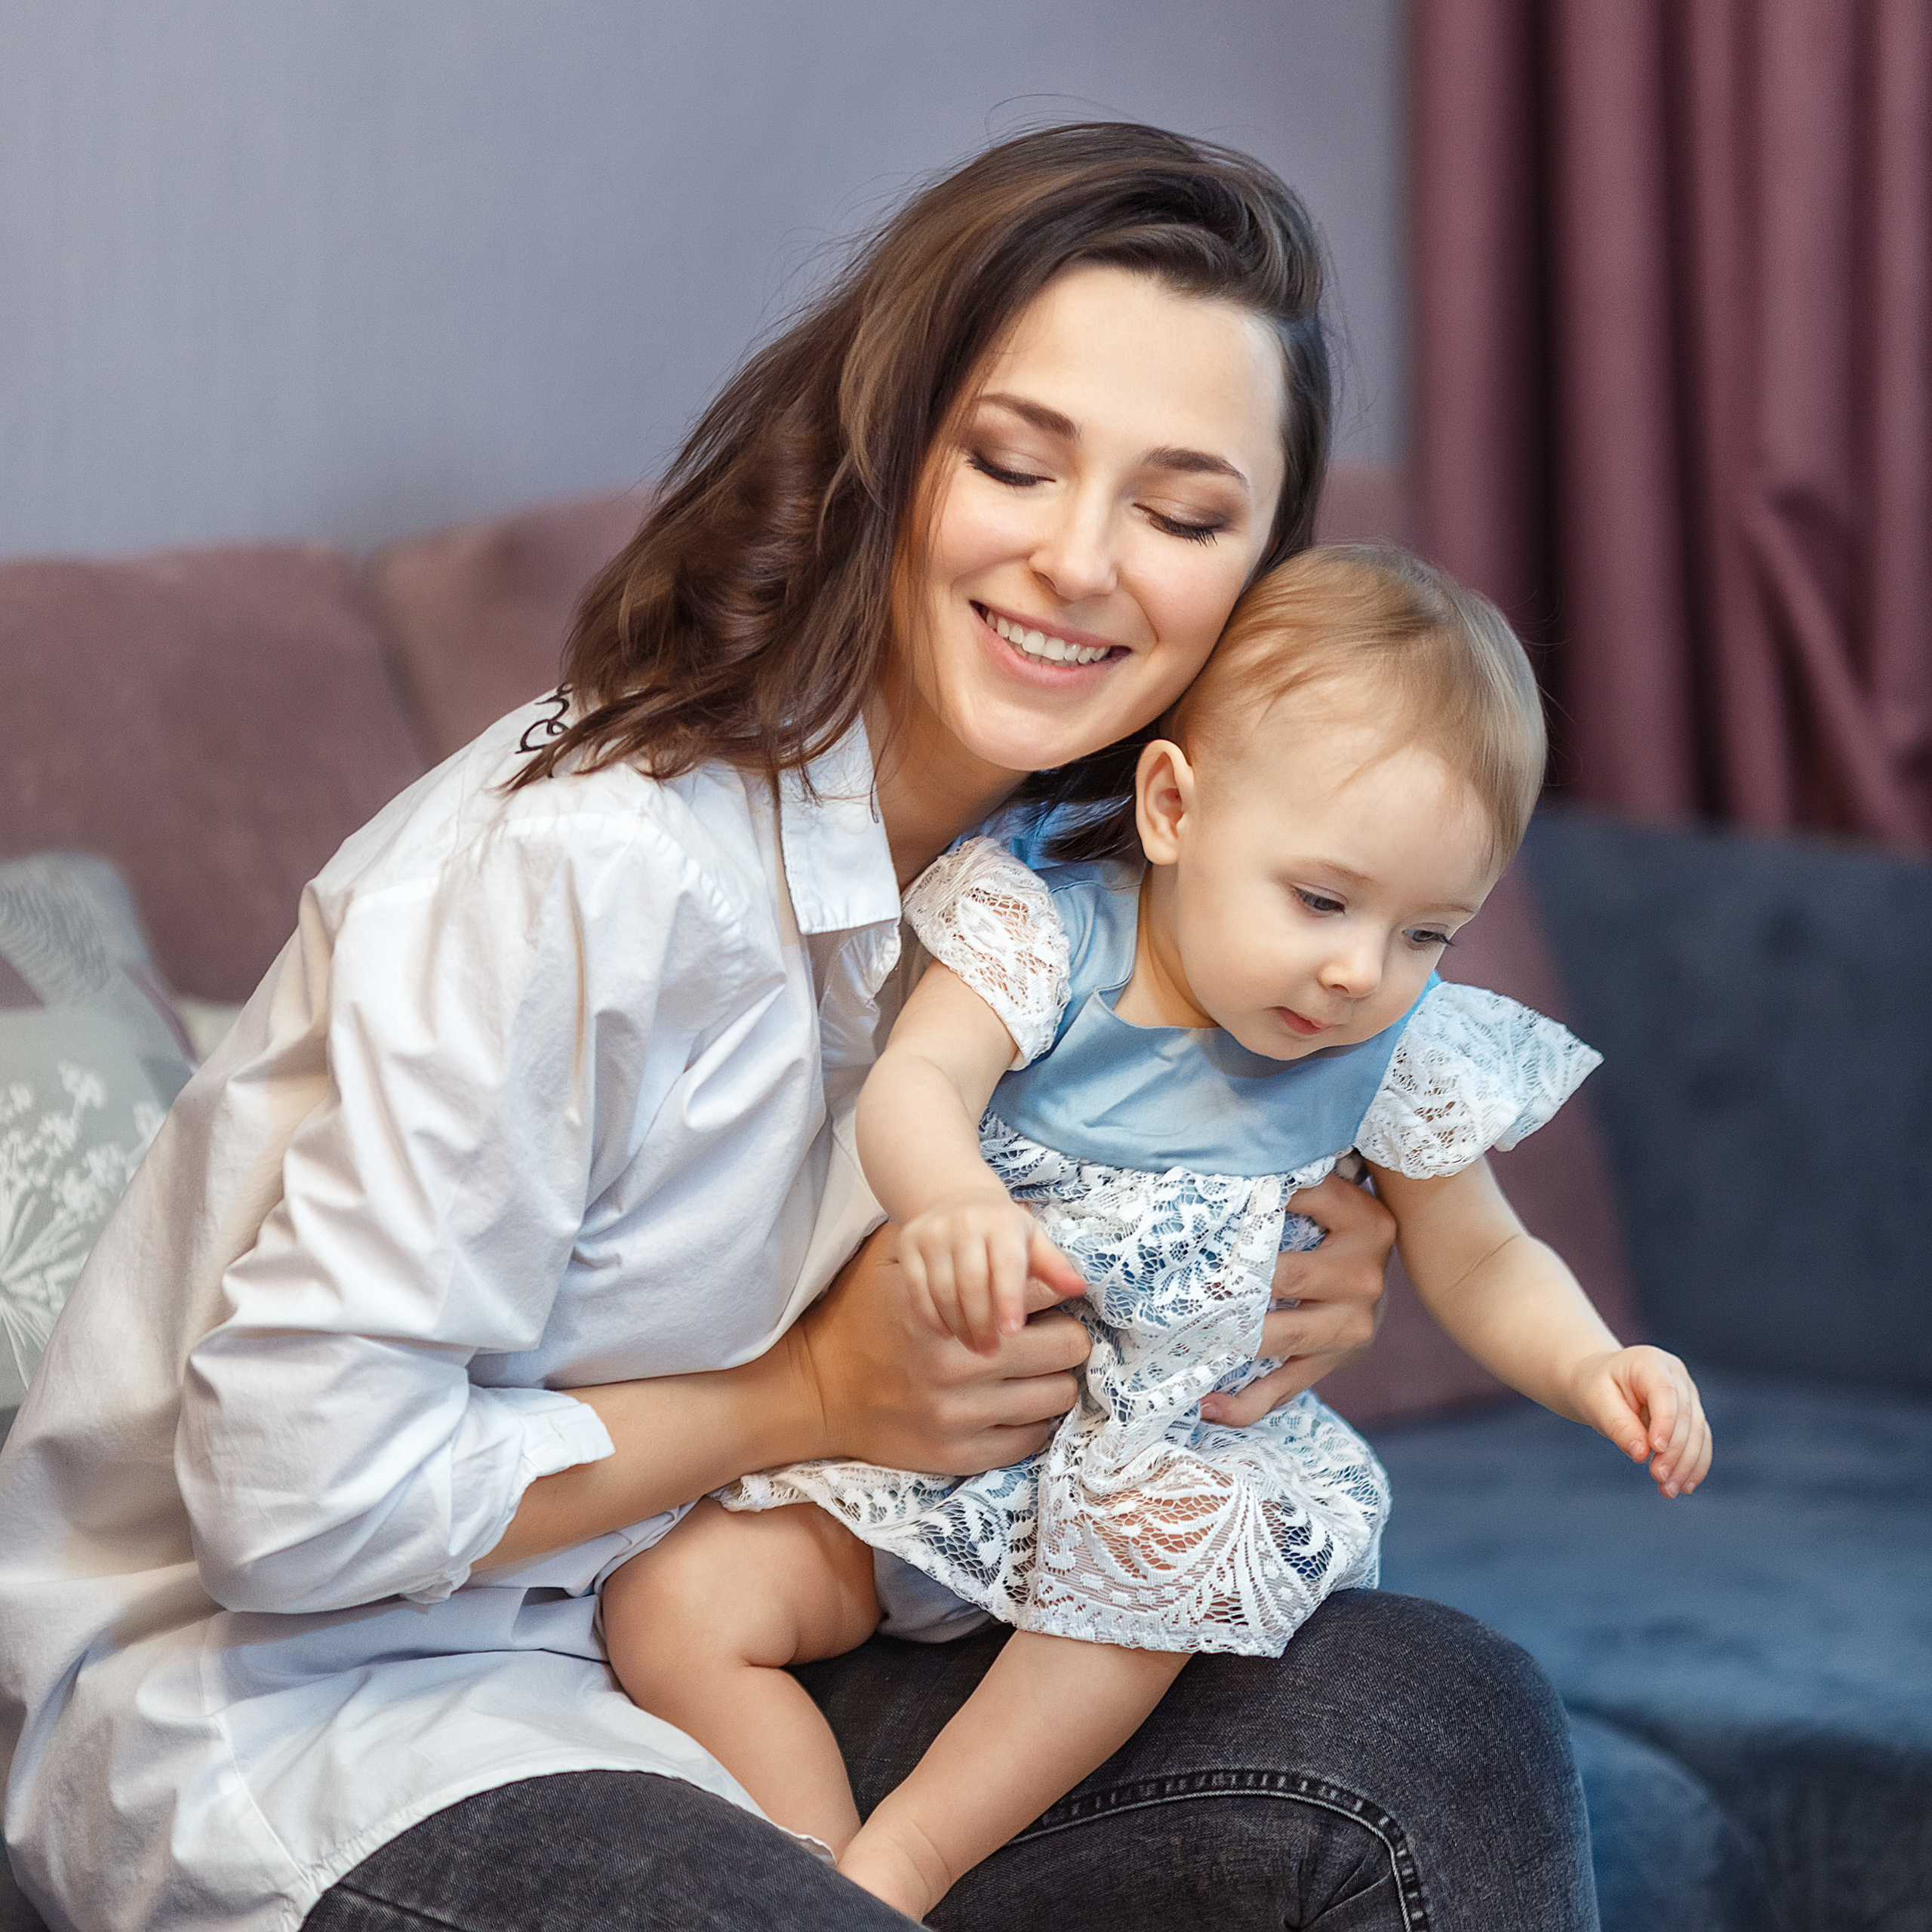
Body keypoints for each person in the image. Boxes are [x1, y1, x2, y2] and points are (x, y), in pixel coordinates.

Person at [0, 128, 1601, 1932]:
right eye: (1012, 460)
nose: (1081, 562)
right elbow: (291, 1503)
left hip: (746, 1612)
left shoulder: (1110, 880)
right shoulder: (589, 865)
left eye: (1180, 512)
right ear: (888, 447)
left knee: (1440, 1725)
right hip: (339, 1703)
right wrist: (805, 1392)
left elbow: (1177, 1232)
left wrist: (1290, 1273)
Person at [602, 545, 1714, 1918]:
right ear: (1176, 807)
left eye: (1430, 933)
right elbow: (916, 1085)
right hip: (926, 1457)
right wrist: (954, 1204)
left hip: (1149, 1474)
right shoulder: (1051, 937)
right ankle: (817, 1876)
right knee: (672, 1608)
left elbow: (1483, 1255)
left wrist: (1593, 1366)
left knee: (1149, 1573)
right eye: (1321, 899)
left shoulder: (1395, 1052)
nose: (1359, 971)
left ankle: (911, 1863)